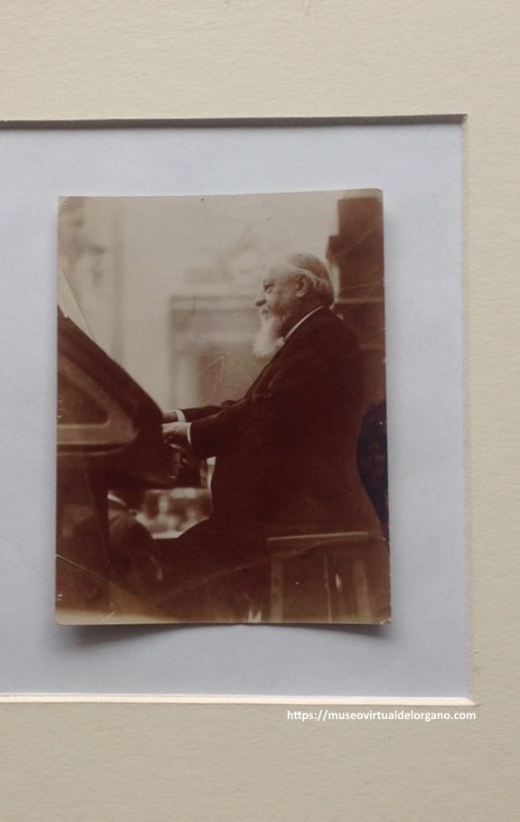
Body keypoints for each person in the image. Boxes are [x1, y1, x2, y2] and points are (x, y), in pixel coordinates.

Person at [159, 253, 377, 616]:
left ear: (301, 286)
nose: (258, 300)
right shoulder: (310, 337)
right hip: (287, 512)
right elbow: (250, 406)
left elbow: (268, 412)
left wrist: (192, 432)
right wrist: (179, 417)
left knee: (171, 564)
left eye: (268, 288)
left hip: (299, 515)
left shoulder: (321, 337)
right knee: (184, 556)